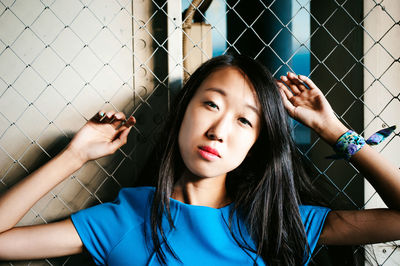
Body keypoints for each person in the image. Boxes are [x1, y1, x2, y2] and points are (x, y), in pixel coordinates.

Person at [0, 55, 399, 265]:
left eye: (245, 120)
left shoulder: (277, 223)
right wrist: (75, 155)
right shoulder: (122, 220)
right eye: (210, 104)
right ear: (182, 114)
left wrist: (333, 130)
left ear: (256, 144)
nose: (219, 130)